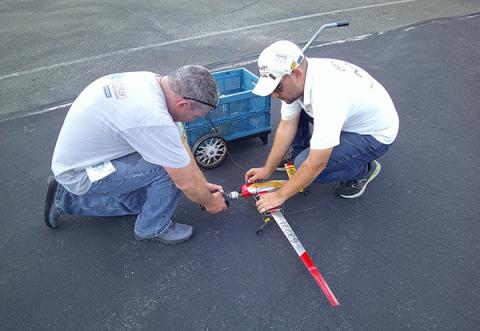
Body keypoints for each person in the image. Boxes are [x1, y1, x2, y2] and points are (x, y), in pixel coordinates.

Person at [44, 65, 228, 244]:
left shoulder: (152, 82)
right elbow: (184, 180)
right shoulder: (154, 119)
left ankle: (70, 199)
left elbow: (180, 144)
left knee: (145, 201)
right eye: (196, 116)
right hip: (80, 173)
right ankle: (152, 227)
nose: (194, 120)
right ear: (184, 104)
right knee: (168, 172)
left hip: (91, 158)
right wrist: (210, 202)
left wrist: (202, 184)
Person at [245, 40, 399, 213]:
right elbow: (287, 126)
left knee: (311, 167)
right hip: (349, 119)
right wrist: (267, 169)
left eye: (277, 88)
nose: (274, 95)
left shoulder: (328, 95)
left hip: (374, 135)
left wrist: (279, 195)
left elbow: (317, 163)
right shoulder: (300, 76)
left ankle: (364, 169)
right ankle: (305, 155)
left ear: (296, 74)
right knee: (295, 111)